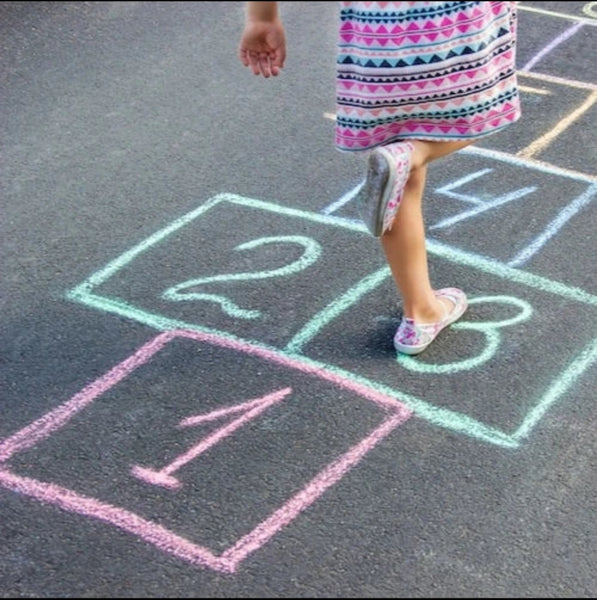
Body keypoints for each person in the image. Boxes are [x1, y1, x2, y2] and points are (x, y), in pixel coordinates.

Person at [238, 1, 521, 355]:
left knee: (397, 173)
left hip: (378, 43)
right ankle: (414, 152)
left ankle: (421, 312)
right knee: (484, 111)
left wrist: (261, 17)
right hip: (456, 28)